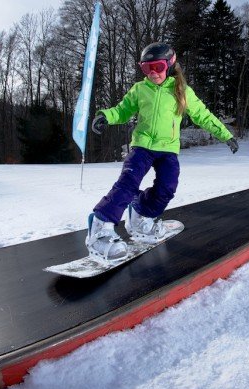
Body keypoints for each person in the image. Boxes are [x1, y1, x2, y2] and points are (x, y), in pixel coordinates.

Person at [86, 42, 239, 261]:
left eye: (157, 67)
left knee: (167, 187)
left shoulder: (181, 90)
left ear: (169, 64)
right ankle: (99, 229)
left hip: (168, 149)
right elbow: (122, 110)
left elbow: (203, 115)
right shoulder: (140, 89)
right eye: (146, 68)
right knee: (128, 183)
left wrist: (226, 135)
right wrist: (105, 116)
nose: (153, 73)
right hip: (142, 146)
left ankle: (141, 215)